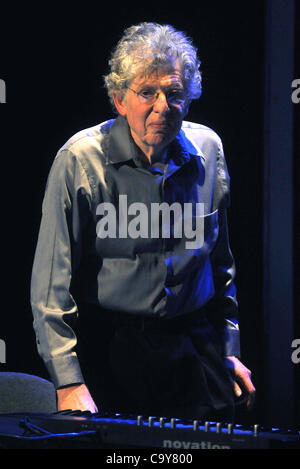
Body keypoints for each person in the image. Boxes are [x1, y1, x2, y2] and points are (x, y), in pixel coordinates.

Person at [30, 22, 255, 421]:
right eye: (147, 93)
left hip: (193, 348)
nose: (162, 107)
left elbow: (219, 265)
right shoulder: (81, 160)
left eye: (173, 94)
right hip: (112, 350)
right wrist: (68, 382)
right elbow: (52, 285)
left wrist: (229, 350)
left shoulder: (209, 148)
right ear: (119, 100)